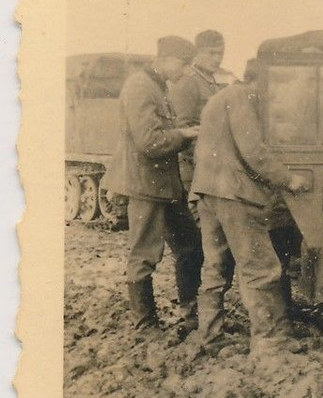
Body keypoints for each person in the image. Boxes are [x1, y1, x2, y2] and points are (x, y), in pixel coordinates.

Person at [191, 69, 309, 356]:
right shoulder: (242, 98)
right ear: (260, 78)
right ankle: (269, 341)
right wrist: (288, 179)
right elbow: (253, 151)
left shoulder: (220, 98)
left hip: (209, 192)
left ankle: (210, 336)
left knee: (215, 267)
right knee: (260, 267)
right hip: (235, 193)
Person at [100, 35, 204, 331]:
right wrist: (184, 135)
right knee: (144, 254)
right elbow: (150, 142)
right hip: (145, 185)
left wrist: (184, 133)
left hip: (165, 185)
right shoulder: (140, 87)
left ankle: (190, 313)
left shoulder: (158, 86)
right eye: (184, 65)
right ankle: (144, 325)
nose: (185, 72)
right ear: (167, 59)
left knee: (190, 245)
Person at [168, 29, 226, 190]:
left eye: (221, 54)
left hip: (212, 163)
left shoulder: (211, 81)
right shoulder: (189, 82)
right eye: (212, 53)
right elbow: (182, 127)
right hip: (194, 166)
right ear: (198, 52)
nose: (217, 59)